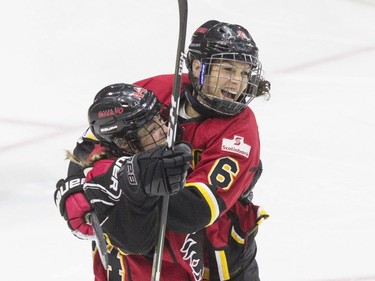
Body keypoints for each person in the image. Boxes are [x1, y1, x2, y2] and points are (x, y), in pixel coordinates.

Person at [54, 20, 271, 280]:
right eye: (228, 69)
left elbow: (196, 210)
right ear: (198, 66)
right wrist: (79, 184)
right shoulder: (154, 90)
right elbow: (96, 138)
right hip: (138, 253)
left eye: (244, 73)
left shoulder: (241, 130)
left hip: (212, 257)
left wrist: (128, 181)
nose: (237, 82)